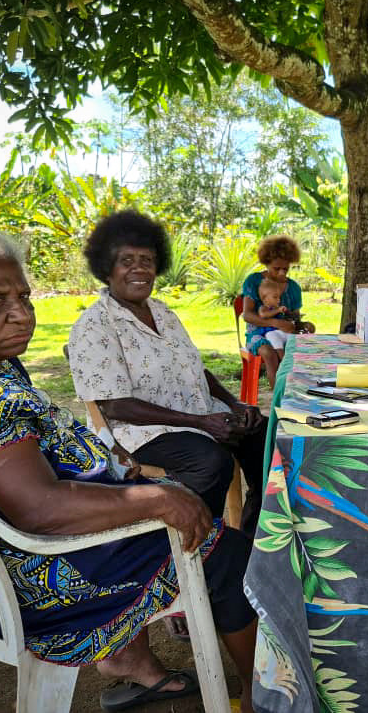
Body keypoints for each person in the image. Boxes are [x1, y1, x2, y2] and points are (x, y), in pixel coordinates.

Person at [0, 225, 258, 712]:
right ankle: (261, 695)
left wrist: (114, 467)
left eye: (23, 297)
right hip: (51, 578)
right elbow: (40, 509)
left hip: (22, 560)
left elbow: (31, 465)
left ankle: (132, 664)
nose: (21, 315)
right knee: (234, 556)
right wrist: (160, 497)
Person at [67, 210, 264, 540]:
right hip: (138, 431)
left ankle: (253, 539)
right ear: (106, 268)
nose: (140, 268)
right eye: (126, 260)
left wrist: (234, 404)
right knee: (210, 462)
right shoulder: (94, 326)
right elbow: (116, 407)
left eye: (147, 260)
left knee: (264, 436)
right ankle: (192, 548)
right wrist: (201, 423)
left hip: (197, 416)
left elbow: (195, 369)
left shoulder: (162, 312)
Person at [241, 235, 309, 388]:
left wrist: (299, 324)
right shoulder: (254, 281)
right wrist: (274, 322)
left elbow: (295, 317)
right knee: (269, 353)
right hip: (257, 333)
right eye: (276, 268)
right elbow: (247, 315)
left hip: (284, 333)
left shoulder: (293, 288)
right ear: (267, 263)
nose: (281, 273)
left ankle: (298, 391)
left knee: (305, 346)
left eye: (285, 268)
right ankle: (278, 398)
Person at [251, 277, 291, 354]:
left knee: (293, 339)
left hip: (281, 331)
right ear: (265, 299)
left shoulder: (277, 308)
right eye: (275, 297)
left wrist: (286, 312)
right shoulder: (263, 308)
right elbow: (263, 315)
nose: (278, 299)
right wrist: (277, 310)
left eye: (279, 297)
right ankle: (283, 361)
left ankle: (296, 359)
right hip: (270, 333)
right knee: (276, 342)